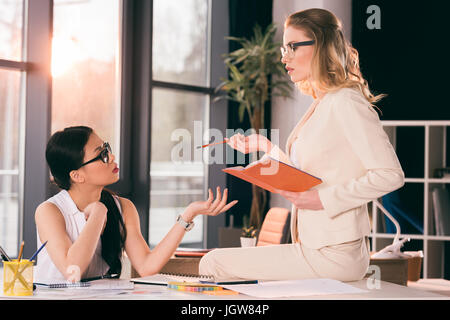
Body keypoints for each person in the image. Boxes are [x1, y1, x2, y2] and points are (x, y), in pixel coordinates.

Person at [199, 8, 405, 282]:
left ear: (320, 46)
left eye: (294, 46)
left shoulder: (346, 102)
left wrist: (322, 199)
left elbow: (390, 175)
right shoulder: (322, 103)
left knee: (213, 262)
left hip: (335, 254)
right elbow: (303, 177)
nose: (285, 56)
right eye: (284, 48)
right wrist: (264, 146)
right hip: (311, 245)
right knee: (215, 263)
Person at [34, 126, 237, 282]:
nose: (112, 157)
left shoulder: (124, 207)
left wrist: (188, 215)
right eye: (102, 155)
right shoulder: (50, 211)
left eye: (107, 148)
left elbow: (147, 266)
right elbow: (73, 270)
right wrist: (98, 214)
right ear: (77, 175)